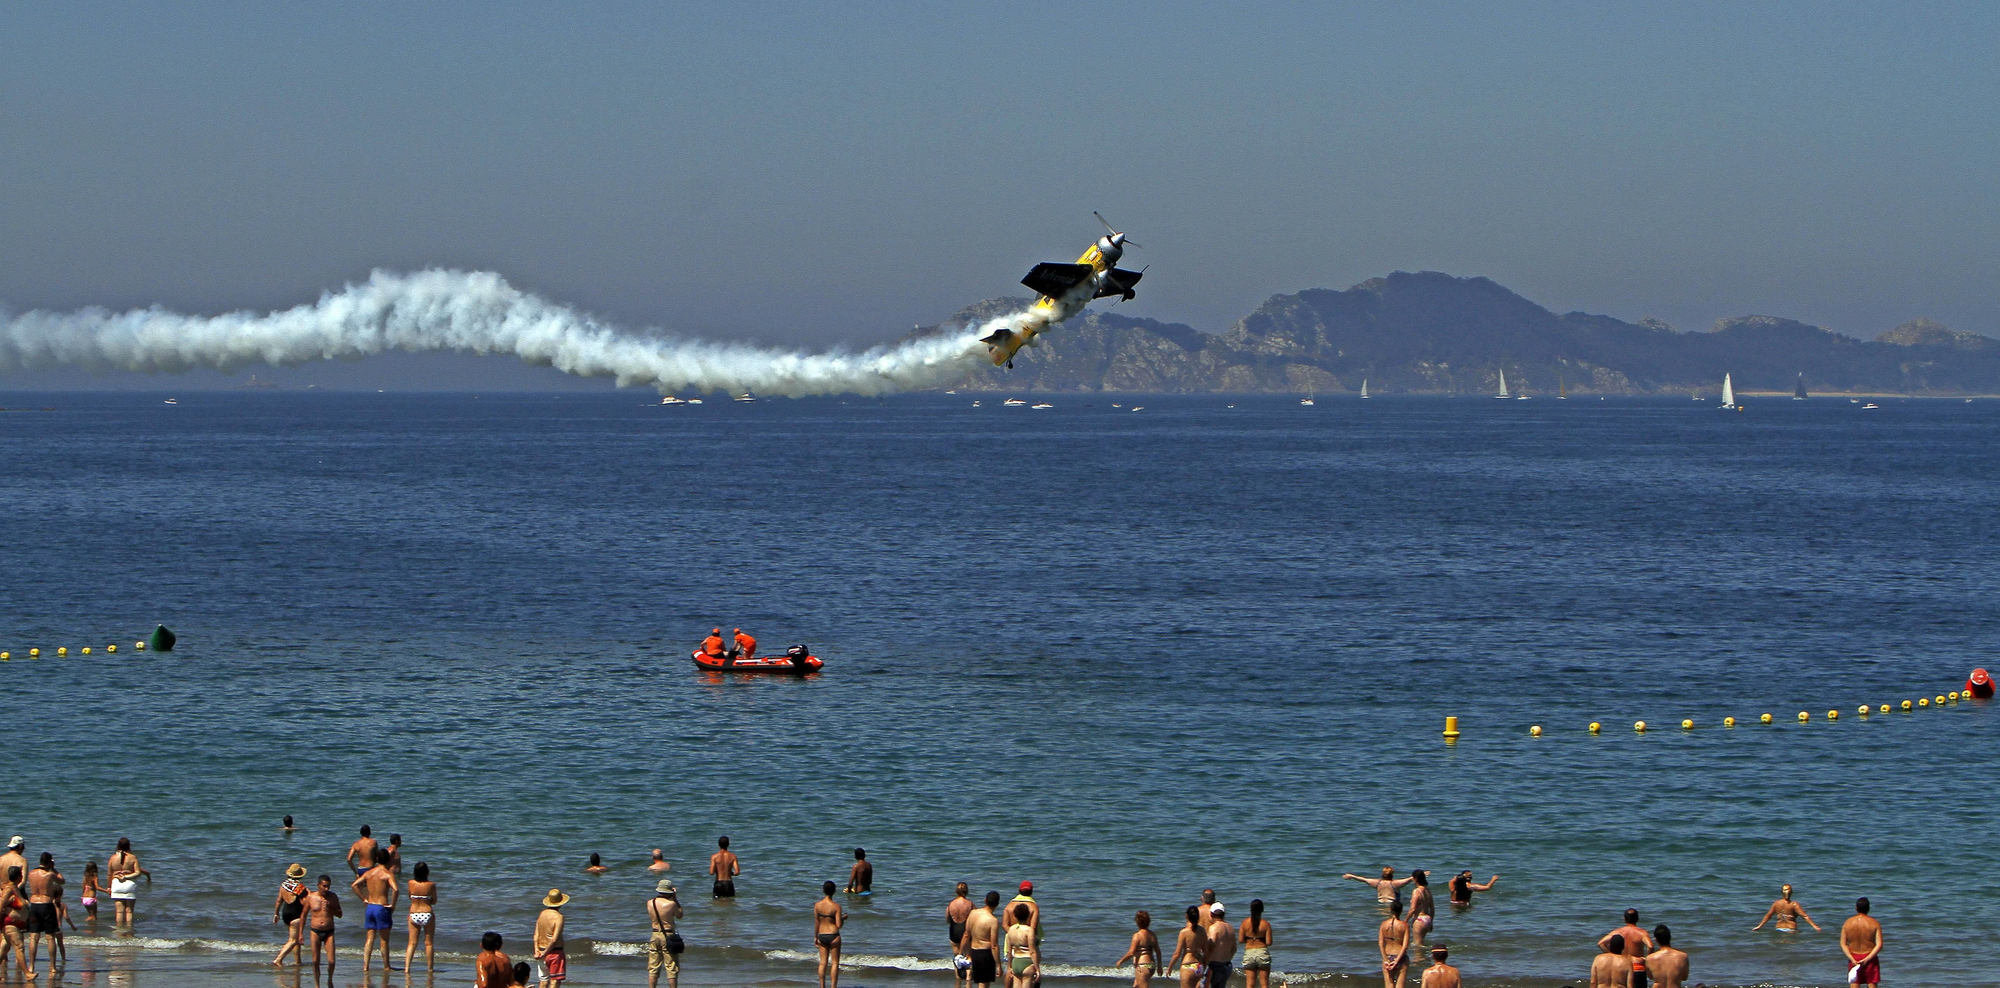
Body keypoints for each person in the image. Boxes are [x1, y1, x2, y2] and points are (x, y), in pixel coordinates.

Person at [351, 854, 399, 972]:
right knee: (384, 939)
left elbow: (354, 885)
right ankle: (386, 966)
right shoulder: (387, 874)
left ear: (377, 860)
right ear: (388, 861)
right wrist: (393, 905)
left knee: (369, 939)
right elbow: (396, 889)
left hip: (370, 907)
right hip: (381, 907)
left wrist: (364, 898)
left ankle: (366, 966)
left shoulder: (369, 873)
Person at [25, 852, 60, 977]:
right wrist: (54, 868)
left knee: (34, 937)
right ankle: (53, 967)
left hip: (33, 905)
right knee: (50, 937)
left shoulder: (31, 874)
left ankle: (31, 966)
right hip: (46, 905)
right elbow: (62, 881)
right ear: (49, 862)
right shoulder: (50, 874)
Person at [1598, 909, 1654, 988]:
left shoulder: (1617, 932)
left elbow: (1601, 944)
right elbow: (1651, 946)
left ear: (1624, 919)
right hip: (1637, 967)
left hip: (1622, 966)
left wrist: (1612, 956)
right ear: (1637, 919)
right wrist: (1647, 961)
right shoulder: (1642, 933)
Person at [303, 874, 343, 977]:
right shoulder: (311, 897)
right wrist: (300, 934)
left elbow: (340, 914)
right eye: (324, 886)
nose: (326, 889)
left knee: (331, 961)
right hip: (315, 931)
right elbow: (303, 915)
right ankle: (317, 985)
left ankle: (330, 980)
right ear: (318, 885)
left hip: (329, 931)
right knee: (315, 961)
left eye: (328, 886)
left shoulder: (333, 897)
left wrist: (331, 908)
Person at [960, 890, 1002, 988]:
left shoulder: (973, 913)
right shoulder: (993, 920)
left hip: (974, 951)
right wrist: (998, 965)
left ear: (985, 900)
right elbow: (994, 945)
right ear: (997, 904)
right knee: (984, 983)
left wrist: (960, 953)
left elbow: (966, 935)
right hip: (986, 954)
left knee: (979, 981)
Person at [647, 880, 685, 988]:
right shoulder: (671, 904)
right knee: (671, 968)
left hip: (654, 934)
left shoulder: (650, 902)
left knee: (653, 968)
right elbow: (680, 914)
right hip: (668, 936)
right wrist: (675, 899)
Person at [272, 863, 308, 966]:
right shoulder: (299, 887)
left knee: (295, 940)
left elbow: (279, 900)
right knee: (293, 940)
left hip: (286, 913)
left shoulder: (283, 884)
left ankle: (298, 962)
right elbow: (306, 901)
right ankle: (278, 959)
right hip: (295, 914)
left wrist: (276, 913)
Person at [1115, 910, 1162, 988]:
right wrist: (1159, 966)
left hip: (1142, 966)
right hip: (1151, 965)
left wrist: (1121, 961)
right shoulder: (1152, 935)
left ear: (1137, 922)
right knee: (1136, 986)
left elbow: (1131, 952)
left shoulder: (1137, 935)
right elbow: (1158, 952)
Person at [1841, 897, 1881, 986]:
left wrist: (1852, 959)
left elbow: (1843, 944)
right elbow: (1879, 945)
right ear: (1869, 908)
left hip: (1854, 958)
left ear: (1856, 908)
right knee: (1872, 985)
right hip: (1870, 958)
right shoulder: (1874, 923)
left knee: (1854, 984)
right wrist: (1867, 959)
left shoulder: (1847, 923)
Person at [405, 861, 438, 972]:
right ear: (426, 872)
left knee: (412, 943)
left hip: (414, 913)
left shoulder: (410, 883)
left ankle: (407, 968)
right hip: (427, 912)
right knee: (428, 943)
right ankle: (430, 969)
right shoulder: (431, 885)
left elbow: (410, 896)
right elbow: (434, 900)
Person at [107, 838, 147, 925]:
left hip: (116, 884)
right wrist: (126, 876)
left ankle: (119, 931)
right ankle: (129, 931)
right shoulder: (132, 857)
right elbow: (138, 873)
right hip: (129, 884)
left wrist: (109, 887)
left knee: (119, 912)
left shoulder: (112, 858)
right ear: (129, 846)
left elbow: (109, 875)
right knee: (129, 911)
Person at [534, 889, 569, 988]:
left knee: (543, 981)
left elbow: (536, 936)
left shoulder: (542, 914)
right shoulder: (559, 917)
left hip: (540, 950)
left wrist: (537, 951)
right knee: (554, 982)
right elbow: (554, 939)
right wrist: (545, 952)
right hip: (555, 952)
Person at [1166, 905, 1207, 988]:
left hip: (1187, 966)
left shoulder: (1184, 932)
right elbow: (1206, 951)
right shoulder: (1202, 931)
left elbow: (1177, 953)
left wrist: (1170, 968)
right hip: (1198, 965)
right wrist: (1205, 965)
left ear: (1186, 916)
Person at [814, 880, 845, 988]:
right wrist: (843, 919)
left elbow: (817, 922)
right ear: (834, 891)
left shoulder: (817, 905)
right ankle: (833, 987)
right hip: (833, 935)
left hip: (821, 934)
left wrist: (815, 936)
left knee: (823, 963)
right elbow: (839, 925)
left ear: (823, 890)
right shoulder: (836, 906)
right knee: (835, 963)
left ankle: (822, 986)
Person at [1752, 884, 1821, 932]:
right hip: (1791, 929)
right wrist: (1815, 926)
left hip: (1779, 929)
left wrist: (1759, 926)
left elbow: (1768, 916)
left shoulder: (1776, 903)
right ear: (1791, 892)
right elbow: (1804, 916)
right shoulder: (1794, 904)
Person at [1003, 902, 1040, 988]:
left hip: (1016, 962)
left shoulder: (1011, 930)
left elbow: (1009, 950)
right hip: (1027, 962)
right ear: (1028, 916)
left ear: (1015, 916)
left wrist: (1009, 967)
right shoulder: (1029, 930)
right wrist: (1037, 968)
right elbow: (1032, 951)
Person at [1239, 898, 1273, 988]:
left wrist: (1250, 939)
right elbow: (1269, 942)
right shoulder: (1266, 924)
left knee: (1250, 984)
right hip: (1262, 952)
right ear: (1262, 909)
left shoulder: (1244, 923)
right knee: (1264, 984)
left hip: (1249, 952)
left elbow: (1241, 940)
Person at [1378, 899, 1412, 988]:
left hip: (1388, 956)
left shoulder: (1383, 924)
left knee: (1389, 984)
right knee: (1400, 985)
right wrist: (1396, 962)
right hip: (1401, 957)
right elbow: (1405, 946)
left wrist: (1385, 960)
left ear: (1390, 909)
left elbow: (1381, 943)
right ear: (1401, 910)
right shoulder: (1405, 925)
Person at [947, 883, 975, 987]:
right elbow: (974, 917)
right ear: (966, 891)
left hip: (954, 930)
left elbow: (947, 918)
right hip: (965, 930)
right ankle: (968, 978)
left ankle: (958, 978)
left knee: (956, 956)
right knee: (968, 955)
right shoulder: (970, 904)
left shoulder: (951, 904)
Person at [1205, 900, 1237, 988]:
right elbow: (1234, 948)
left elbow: (1211, 945)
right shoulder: (1230, 927)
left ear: (1211, 914)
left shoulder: (1214, 927)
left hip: (1216, 965)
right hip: (1227, 965)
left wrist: (1205, 960)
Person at [1, 866, 26, 977]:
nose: (22, 876)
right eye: (21, 874)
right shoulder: (8, 889)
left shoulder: (16, 888)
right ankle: (27, 973)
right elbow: (1, 905)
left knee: (4, 949)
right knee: (19, 946)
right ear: (17, 877)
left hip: (17, 923)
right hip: (9, 923)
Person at [1346, 867, 1414, 906]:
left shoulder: (1377, 883)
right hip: (1391, 905)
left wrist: (1351, 876)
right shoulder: (1395, 884)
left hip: (1380, 903)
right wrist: (1422, 874)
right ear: (1392, 875)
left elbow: (1364, 879)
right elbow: (1410, 879)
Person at [1407, 871, 1435, 949]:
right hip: (1427, 919)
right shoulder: (1427, 890)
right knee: (1422, 944)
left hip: (1419, 920)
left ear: (1415, 879)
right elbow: (1432, 908)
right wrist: (1431, 921)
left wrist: (1405, 921)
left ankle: (1419, 961)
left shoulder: (1416, 891)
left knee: (1418, 947)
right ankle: (1425, 960)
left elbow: (1413, 909)